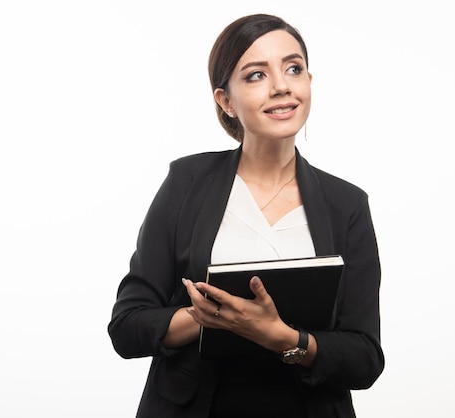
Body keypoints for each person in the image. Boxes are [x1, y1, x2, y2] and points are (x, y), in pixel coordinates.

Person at [108, 13, 384, 418]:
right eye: (256, 75)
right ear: (225, 100)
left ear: (309, 81)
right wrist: (202, 318)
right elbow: (127, 327)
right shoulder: (187, 182)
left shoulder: (347, 204)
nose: (281, 86)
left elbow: (364, 358)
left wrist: (280, 337)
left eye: (294, 68)